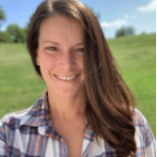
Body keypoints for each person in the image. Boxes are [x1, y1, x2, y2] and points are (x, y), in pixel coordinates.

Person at [0, 0, 155, 156]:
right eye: (52, 48)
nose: (67, 65)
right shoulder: (8, 133)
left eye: (80, 49)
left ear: (94, 54)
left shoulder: (134, 125)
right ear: (36, 55)